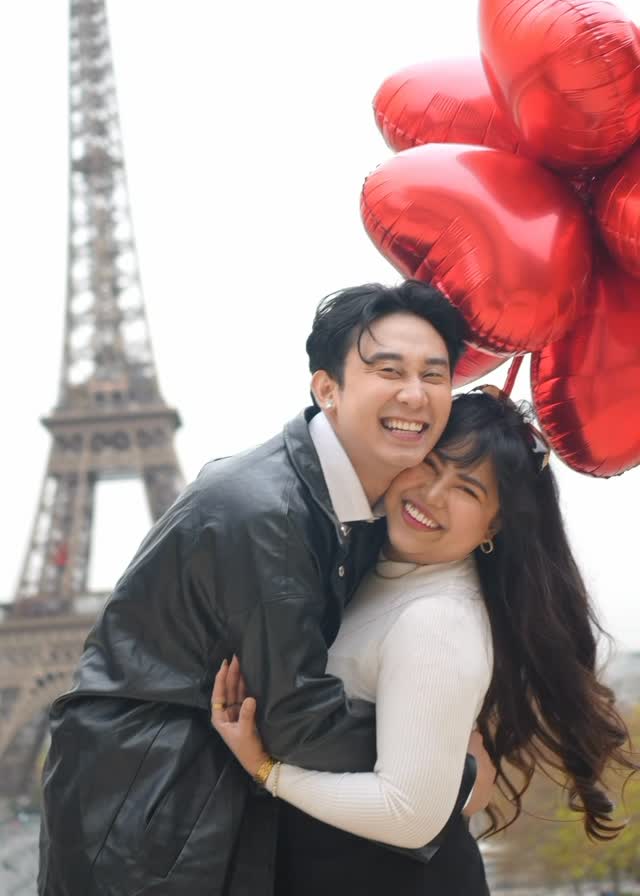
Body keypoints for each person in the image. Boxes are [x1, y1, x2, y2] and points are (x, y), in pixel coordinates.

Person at [38, 281, 493, 896]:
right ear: (326, 389)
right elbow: (296, 721)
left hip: (185, 793)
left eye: (433, 375)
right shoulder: (266, 513)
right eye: (389, 370)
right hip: (152, 812)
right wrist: (450, 769)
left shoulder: (355, 503)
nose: (414, 394)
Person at [211, 389, 638, 896]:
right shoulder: (375, 569)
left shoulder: (437, 619)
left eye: (467, 490)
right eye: (430, 464)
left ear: (495, 523)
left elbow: (409, 814)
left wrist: (266, 770)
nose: (433, 495)